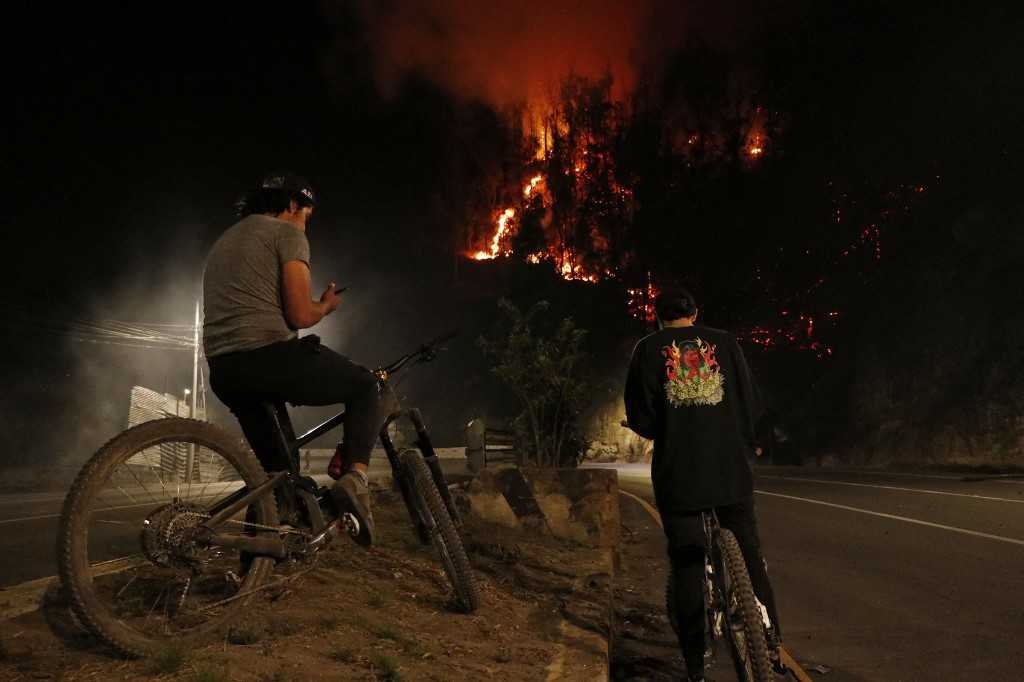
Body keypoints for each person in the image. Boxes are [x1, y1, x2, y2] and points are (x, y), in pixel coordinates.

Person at [202, 171, 388, 546]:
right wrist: (326, 306)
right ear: (292, 205)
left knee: (276, 477)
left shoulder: (225, 240)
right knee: (368, 387)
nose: (306, 225)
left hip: (225, 370)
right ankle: (355, 482)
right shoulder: (287, 234)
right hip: (268, 357)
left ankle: (256, 565)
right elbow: (300, 316)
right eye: (307, 215)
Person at [623, 286, 782, 682]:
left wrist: (671, 425)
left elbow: (641, 418)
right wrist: (753, 442)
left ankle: (695, 664)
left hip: (680, 474)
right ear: (695, 313)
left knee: (688, 561)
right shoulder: (725, 343)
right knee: (748, 550)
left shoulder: (647, 349)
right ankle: (771, 640)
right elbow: (750, 400)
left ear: (658, 318)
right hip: (729, 469)